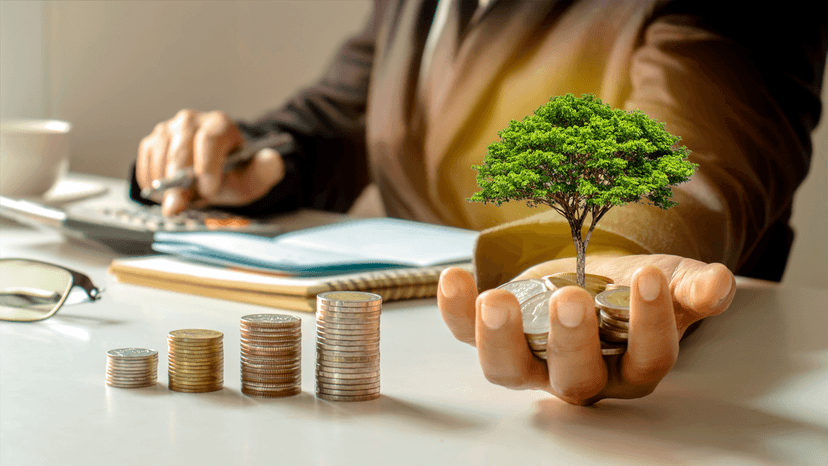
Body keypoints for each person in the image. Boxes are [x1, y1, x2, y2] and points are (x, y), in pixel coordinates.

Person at [130, 0, 828, 405]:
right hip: (421, 375)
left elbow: (709, 131)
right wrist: (259, 159)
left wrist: (616, 247)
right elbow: (350, 110)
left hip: (704, 405)